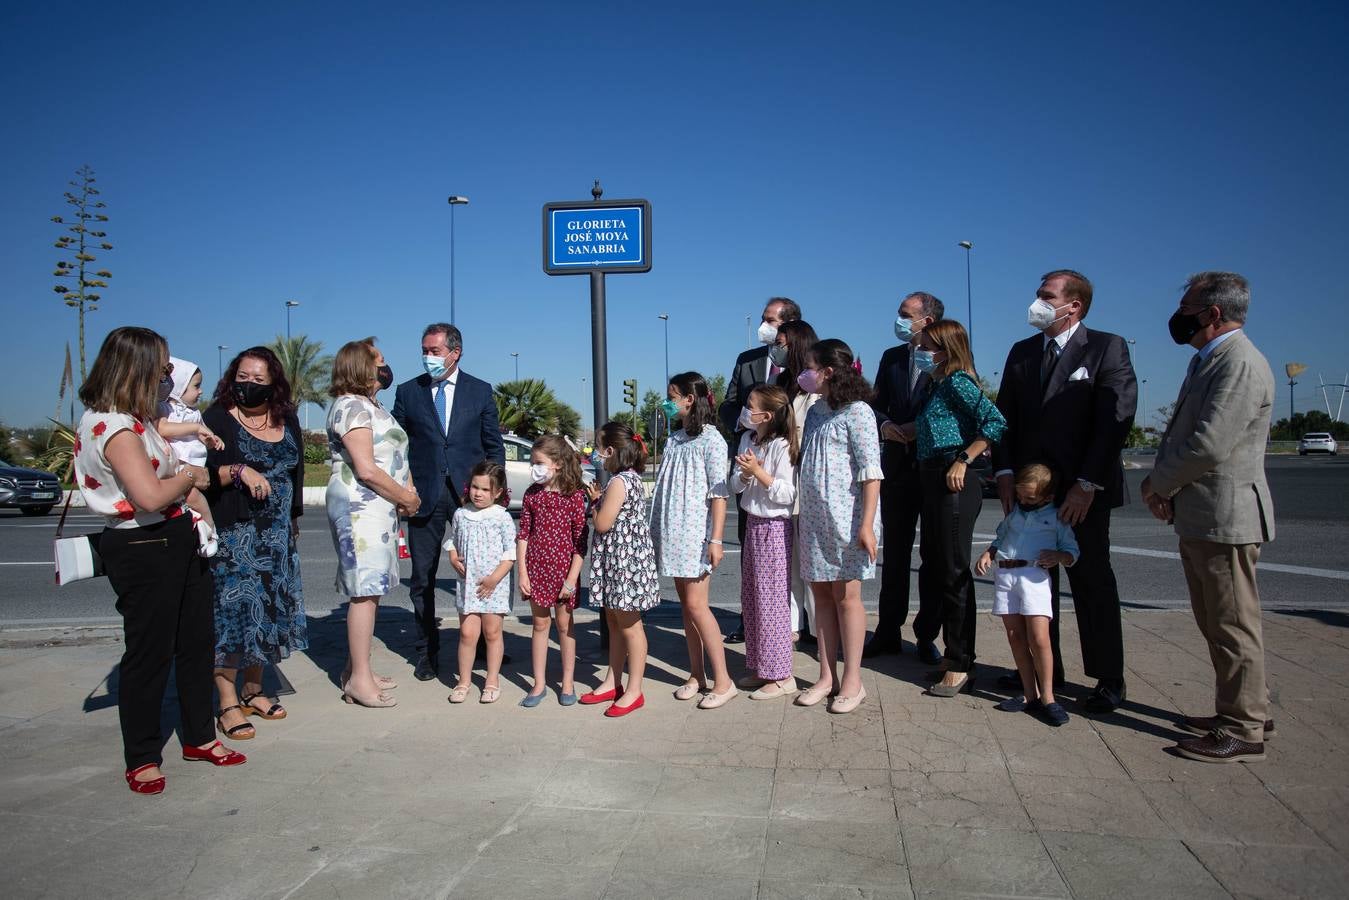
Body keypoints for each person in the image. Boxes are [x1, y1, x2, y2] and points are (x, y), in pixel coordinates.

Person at [74, 327, 244, 795]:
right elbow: (149, 494)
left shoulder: (138, 420)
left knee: (195, 643)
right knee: (149, 655)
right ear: (137, 367)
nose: (168, 375)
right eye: (164, 366)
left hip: (177, 538)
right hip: (144, 546)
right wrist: (188, 475)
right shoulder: (114, 426)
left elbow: (165, 461)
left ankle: (199, 737)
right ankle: (143, 756)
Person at [1142, 272, 1276, 763]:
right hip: (1204, 514)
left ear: (1212, 314)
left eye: (1187, 308)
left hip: (1227, 515)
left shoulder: (1238, 362)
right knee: (1218, 622)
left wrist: (1159, 482)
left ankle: (1244, 727)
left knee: (1233, 623)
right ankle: (1242, 709)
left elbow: (1209, 444)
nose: (1180, 318)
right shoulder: (1213, 359)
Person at [992, 270, 1137, 712]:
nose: (1036, 302)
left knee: (1091, 581)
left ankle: (1108, 677)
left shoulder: (1106, 347)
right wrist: (1004, 474)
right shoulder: (1021, 353)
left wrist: (1086, 484)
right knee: (1036, 584)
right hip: (1031, 495)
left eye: (1046, 295)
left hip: (1081, 492)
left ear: (1073, 305)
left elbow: (1116, 421)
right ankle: (1039, 670)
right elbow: (1005, 419)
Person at [202, 347, 307, 738]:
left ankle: (253, 689)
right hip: (235, 535)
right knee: (235, 617)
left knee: (269, 609)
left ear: (273, 384)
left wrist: (293, 518)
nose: (248, 386)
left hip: (277, 535)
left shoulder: (286, 417)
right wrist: (241, 471)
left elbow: (294, 474)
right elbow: (203, 473)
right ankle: (227, 702)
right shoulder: (216, 419)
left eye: (258, 380)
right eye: (242, 378)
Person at [392, 323, 505, 681]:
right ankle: (427, 652)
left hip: (469, 498)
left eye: (435, 351)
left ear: (455, 352)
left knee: (481, 571)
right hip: (423, 497)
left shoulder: (480, 391)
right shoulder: (409, 392)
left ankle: (487, 645)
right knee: (422, 579)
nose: (428, 357)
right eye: (424, 350)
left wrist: (493, 490)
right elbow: (397, 445)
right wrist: (402, 489)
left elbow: (493, 445)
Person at [914, 320, 1006, 697]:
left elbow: (995, 422)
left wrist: (964, 460)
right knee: (936, 565)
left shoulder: (958, 382)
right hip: (932, 477)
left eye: (927, 345)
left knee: (953, 571)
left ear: (946, 349)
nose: (920, 350)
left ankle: (960, 662)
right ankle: (951, 654)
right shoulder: (937, 385)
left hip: (954, 479)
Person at [326, 338, 419, 708]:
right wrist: (405, 496)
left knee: (373, 587)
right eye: (379, 360)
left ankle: (356, 669)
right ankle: (359, 682)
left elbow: (392, 454)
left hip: (379, 506)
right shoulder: (351, 407)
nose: (386, 366)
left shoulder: (371, 406)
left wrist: (405, 491)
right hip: (360, 506)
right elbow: (365, 468)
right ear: (360, 367)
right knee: (364, 589)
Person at [794, 339, 883, 714]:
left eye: (810, 366)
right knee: (822, 598)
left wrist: (867, 524)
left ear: (828, 371)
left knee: (847, 598)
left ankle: (853, 680)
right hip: (814, 518)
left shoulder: (859, 411)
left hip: (848, 519)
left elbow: (871, 473)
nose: (804, 373)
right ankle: (826, 675)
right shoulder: (815, 411)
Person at [719, 296, 803, 643]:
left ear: (789, 325)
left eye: (771, 321)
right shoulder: (747, 360)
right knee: (752, 564)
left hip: (786, 462)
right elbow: (728, 402)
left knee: (792, 562)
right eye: (765, 319)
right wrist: (740, 421)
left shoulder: (801, 365)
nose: (765, 326)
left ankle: (796, 624)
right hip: (750, 451)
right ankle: (750, 620)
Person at [867, 291, 943, 664]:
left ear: (926, 320)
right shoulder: (892, 357)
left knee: (932, 555)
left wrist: (918, 427)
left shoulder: (946, 354)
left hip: (931, 467)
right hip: (896, 466)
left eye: (904, 314)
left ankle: (927, 634)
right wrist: (887, 425)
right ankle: (887, 630)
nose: (898, 320)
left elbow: (949, 400)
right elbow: (876, 402)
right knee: (894, 554)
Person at [653, 371, 736, 709]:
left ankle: (723, 680)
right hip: (672, 533)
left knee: (699, 607)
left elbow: (719, 495)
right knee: (687, 608)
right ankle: (696, 674)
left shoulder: (712, 440)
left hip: (695, 535)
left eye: (672, 396)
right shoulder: (675, 440)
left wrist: (715, 539)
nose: (667, 402)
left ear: (689, 399)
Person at [975, 463, 1077, 726]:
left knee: (1040, 638)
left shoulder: (1056, 517)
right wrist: (989, 553)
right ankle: (1029, 694)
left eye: (1030, 498)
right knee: (1015, 636)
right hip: (1006, 576)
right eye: (1021, 496)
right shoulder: (1016, 513)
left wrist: (1059, 556)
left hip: (1033, 577)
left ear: (1048, 497)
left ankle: (1049, 697)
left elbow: (1072, 550)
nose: (1023, 501)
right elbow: (1000, 537)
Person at [580, 422, 660, 717]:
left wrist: (593, 505)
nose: (596, 455)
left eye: (599, 449)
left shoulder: (618, 482)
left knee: (629, 626)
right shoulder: (632, 478)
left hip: (623, 564)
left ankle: (634, 689)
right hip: (623, 562)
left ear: (611, 451)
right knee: (615, 622)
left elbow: (602, 523)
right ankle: (612, 681)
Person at [732, 384, 799, 700]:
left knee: (772, 601)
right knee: (753, 599)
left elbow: (787, 493)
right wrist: (745, 476)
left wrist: (758, 472)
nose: (746, 410)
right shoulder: (748, 439)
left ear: (767, 415)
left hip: (773, 527)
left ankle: (782, 675)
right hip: (753, 524)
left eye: (750, 405)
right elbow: (735, 483)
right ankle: (761, 667)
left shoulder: (781, 446)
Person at [517, 434, 589, 707]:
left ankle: (568, 681)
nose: (534, 467)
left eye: (539, 462)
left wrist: (571, 580)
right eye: (532, 462)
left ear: (557, 463)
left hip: (564, 573)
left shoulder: (574, 496)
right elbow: (523, 534)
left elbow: (580, 543)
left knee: (564, 625)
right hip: (536, 570)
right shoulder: (532, 495)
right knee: (539, 624)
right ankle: (539, 683)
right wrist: (522, 573)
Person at [445, 462, 516, 705]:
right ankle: (463, 681)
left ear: (497, 492)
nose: (478, 493)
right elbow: (453, 541)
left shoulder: (502, 517)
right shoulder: (461, 514)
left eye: (485, 490)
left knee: (492, 632)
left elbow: (511, 553)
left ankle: (492, 681)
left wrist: (494, 579)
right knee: (467, 633)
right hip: (469, 584)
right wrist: (453, 556)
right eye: (475, 487)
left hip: (494, 585)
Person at [772, 319, 820, 644]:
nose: (776, 348)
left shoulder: (816, 386)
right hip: (782, 484)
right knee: (788, 564)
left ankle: (819, 632)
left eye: (781, 342)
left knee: (811, 566)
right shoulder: (783, 384)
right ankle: (791, 627)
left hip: (808, 485)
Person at [156, 356, 223, 468]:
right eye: (196, 386)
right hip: (174, 462)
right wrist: (196, 427)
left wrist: (211, 440)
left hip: (195, 463)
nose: (201, 391)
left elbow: (202, 434)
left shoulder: (195, 413)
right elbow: (163, 428)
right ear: (179, 387)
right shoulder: (166, 408)